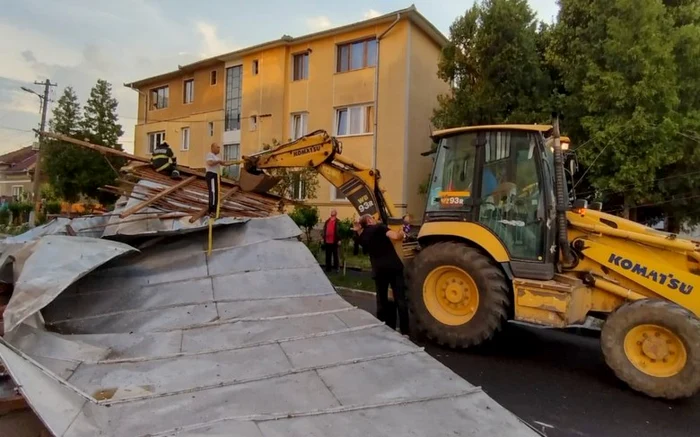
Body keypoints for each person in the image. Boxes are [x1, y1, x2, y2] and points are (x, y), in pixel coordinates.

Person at [354, 214, 409, 335]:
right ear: (369, 220)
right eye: (373, 218)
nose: (375, 219)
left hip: (379, 271)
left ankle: (382, 329)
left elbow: (361, 243)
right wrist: (401, 231)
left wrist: (357, 230)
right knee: (400, 299)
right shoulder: (380, 228)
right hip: (394, 268)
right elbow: (395, 236)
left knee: (382, 300)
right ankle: (405, 332)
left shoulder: (362, 236)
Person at [205, 142, 229, 216]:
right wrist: (219, 161)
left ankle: (216, 209)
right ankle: (212, 210)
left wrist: (235, 163)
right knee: (213, 192)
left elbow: (224, 164)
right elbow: (210, 163)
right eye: (217, 147)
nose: (219, 149)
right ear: (213, 148)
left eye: (219, 147)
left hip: (217, 175)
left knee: (217, 192)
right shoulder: (210, 155)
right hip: (211, 175)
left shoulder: (217, 157)